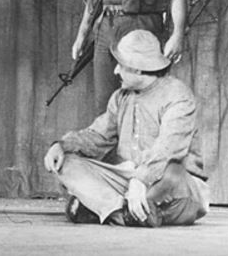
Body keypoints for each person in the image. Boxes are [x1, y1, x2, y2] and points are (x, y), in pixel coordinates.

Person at [45, 29, 209, 227]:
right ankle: (124, 212)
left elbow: (169, 148)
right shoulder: (120, 97)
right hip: (129, 183)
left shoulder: (177, 96)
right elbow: (98, 136)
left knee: (173, 171)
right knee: (65, 163)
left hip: (171, 186)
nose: (116, 71)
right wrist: (61, 146)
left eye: (121, 65)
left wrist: (141, 180)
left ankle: (108, 210)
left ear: (138, 69)